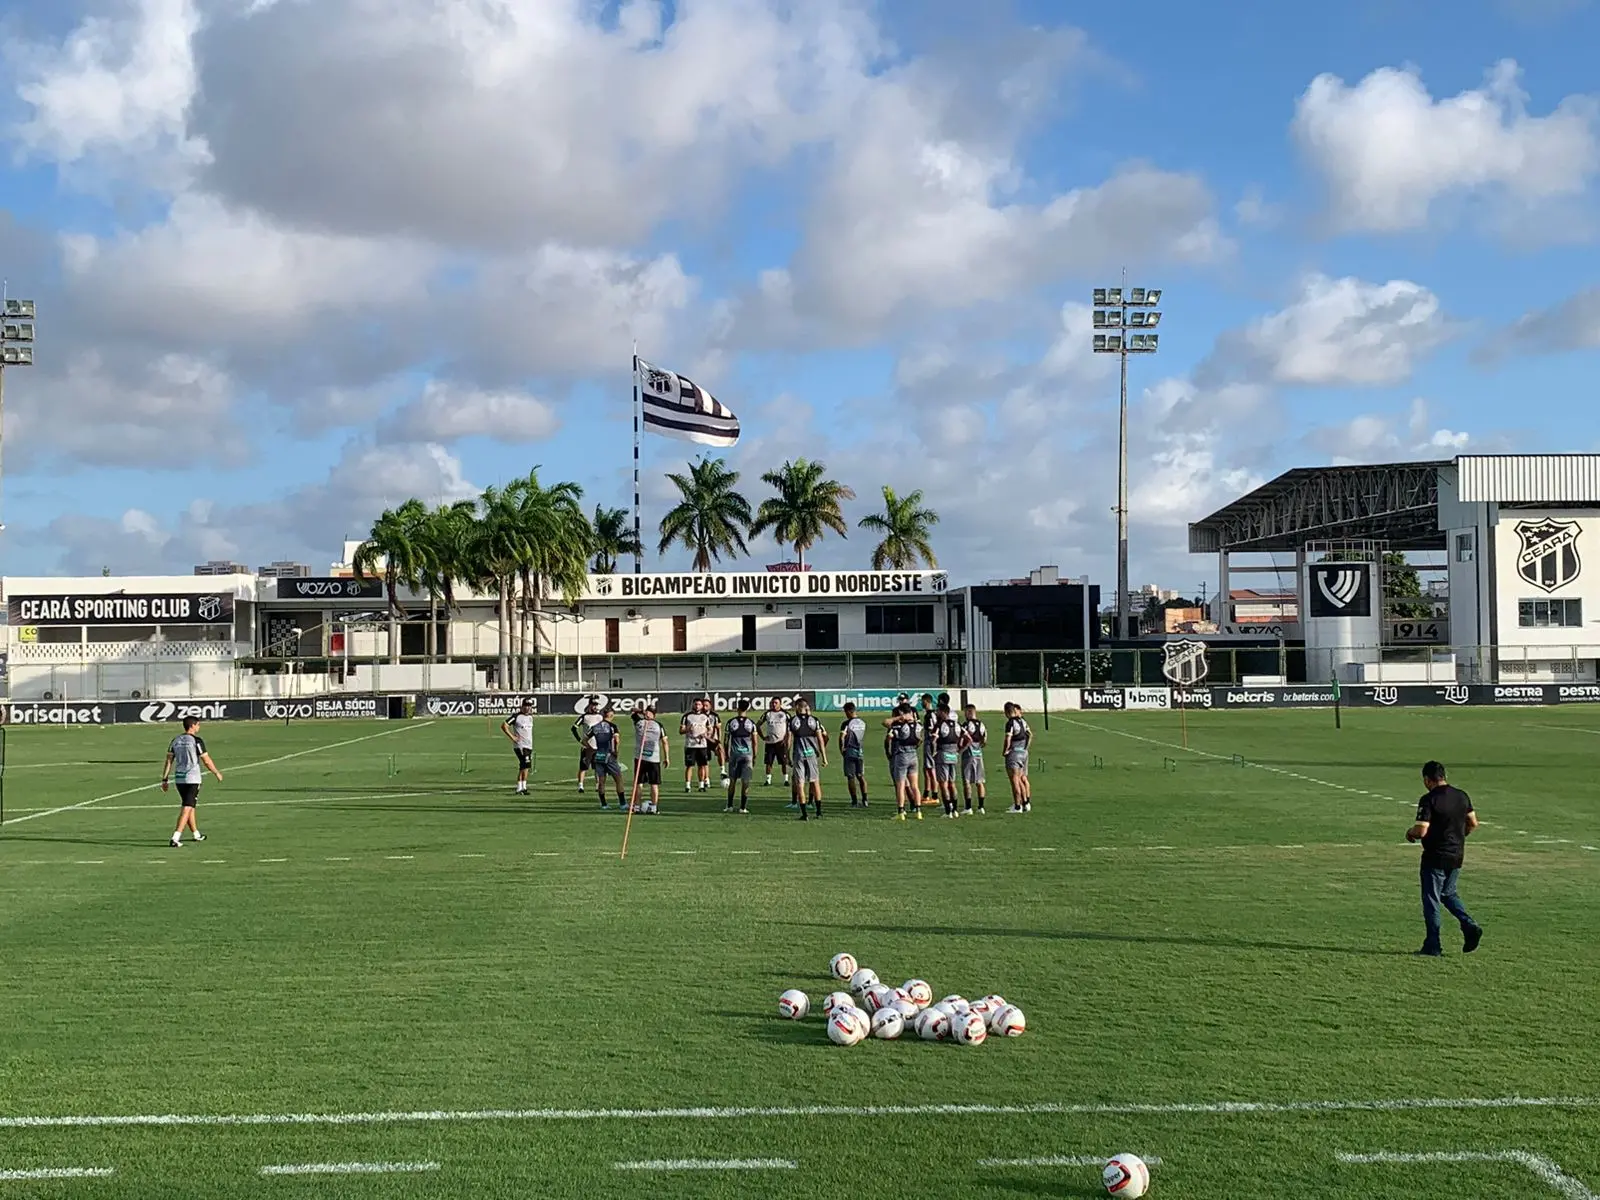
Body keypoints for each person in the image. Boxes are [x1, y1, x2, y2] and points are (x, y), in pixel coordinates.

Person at [1407, 761, 1484, 956]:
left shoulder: (1429, 799)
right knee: (1448, 893)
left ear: (1427, 780)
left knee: (1431, 899)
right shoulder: (1461, 796)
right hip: (1456, 854)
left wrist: (1410, 833)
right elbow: (1473, 823)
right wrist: (1459, 837)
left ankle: (1433, 946)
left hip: (1435, 856)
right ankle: (1469, 924)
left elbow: (1421, 830)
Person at [163, 715, 222, 846]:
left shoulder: (176, 740)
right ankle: (175, 838)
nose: (199, 727)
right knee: (187, 807)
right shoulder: (196, 741)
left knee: (189, 807)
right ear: (193, 726)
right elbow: (206, 760)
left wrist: (165, 778)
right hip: (193, 779)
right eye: (198, 725)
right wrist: (216, 772)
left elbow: (169, 761)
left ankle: (196, 834)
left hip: (179, 779)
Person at [786, 696, 828, 820]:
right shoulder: (815, 720)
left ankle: (804, 814)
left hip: (799, 755)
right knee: (815, 782)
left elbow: (789, 739)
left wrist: (787, 755)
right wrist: (824, 756)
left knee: (800, 784)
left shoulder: (792, 721)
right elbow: (820, 739)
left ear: (799, 708)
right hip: (812, 755)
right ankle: (819, 812)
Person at [884, 702, 923, 820]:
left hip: (902, 755)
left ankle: (901, 811)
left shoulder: (899, 726)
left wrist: (898, 718)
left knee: (900, 785)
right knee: (915, 785)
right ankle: (918, 811)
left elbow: (885, 723)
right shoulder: (917, 725)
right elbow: (920, 739)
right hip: (913, 755)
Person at [630, 705, 669, 815]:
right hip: (650, 758)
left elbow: (633, 711)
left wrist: (642, 712)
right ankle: (652, 807)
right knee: (647, 783)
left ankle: (638, 806)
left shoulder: (639, 722)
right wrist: (666, 757)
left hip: (643, 757)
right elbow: (665, 741)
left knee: (645, 783)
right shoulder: (658, 725)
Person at [723, 700, 758, 813]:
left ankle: (729, 806)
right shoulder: (751, 724)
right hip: (747, 756)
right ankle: (743, 807)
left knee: (732, 781)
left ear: (737, 708)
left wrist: (726, 754)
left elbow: (726, 741)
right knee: (745, 781)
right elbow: (755, 742)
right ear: (747, 709)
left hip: (734, 755)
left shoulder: (731, 723)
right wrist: (755, 756)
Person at [931, 700, 963, 817]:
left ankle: (947, 811)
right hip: (953, 754)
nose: (936, 713)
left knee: (943, 783)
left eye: (937, 711)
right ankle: (954, 809)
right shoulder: (956, 724)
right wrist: (959, 749)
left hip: (942, 753)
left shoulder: (939, 725)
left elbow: (933, 740)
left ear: (942, 712)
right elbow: (966, 737)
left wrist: (933, 752)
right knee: (952, 783)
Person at [588, 705, 624, 809]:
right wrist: (616, 751)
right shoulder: (612, 726)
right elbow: (616, 740)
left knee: (601, 780)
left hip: (599, 755)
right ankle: (622, 803)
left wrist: (591, 748)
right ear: (611, 715)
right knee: (618, 779)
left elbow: (586, 739)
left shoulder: (595, 727)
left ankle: (604, 804)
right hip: (609, 755)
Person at [1002, 702, 1032, 812]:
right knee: (1020, 778)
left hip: (1014, 753)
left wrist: (1005, 750)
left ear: (1006, 712)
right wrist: (1026, 748)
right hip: (1023, 752)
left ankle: (1017, 806)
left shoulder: (1010, 723)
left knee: (1015, 780)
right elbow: (1030, 734)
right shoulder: (1022, 721)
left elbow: (1008, 738)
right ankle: (1025, 803)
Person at [501, 700, 535, 795]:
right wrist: (512, 737)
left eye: (529, 706)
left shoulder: (530, 717)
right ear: (522, 706)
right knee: (525, 765)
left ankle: (522, 787)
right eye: (526, 706)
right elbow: (504, 725)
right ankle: (521, 787)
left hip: (528, 745)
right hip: (521, 745)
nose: (528, 708)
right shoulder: (516, 717)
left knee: (525, 766)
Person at [959, 702, 988, 815]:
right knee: (979, 781)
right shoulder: (982, 725)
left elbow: (962, 738)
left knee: (967, 781)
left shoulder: (966, 725)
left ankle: (968, 807)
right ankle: (981, 807)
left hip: (968, 754)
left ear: (968, 712)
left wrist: (960, 748)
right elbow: (985, 740)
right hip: (978, 753)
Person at [839, 702, 869, 807]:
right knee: (860, 776)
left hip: (850, 751)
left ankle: (854, 801)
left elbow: (842, 737)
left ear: (848, 711)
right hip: (860, 751)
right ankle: (865, 800)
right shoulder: (862, 723)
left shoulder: (846, 724)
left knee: (850, 777)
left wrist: (841, 749)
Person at [681, 697, 714, 792]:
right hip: (690, 745)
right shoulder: (687, 716)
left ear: (702, 706)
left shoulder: (705, 717)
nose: (697, 706)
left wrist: (706, 734)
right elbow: (681, 730)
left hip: (702, 745)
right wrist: (688, 729)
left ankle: (701, 785)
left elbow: (710, 729)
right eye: (695, 704)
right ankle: (688, 786)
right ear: (693, 705)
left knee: (702, 765)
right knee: (689, 766)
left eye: (699, 704)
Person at [572, 698, 604, 793]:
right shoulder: (584, 717)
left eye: (596, 705)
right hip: (587, 746)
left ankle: (598, 785)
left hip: (598, 745)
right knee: (583, 767)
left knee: (598, 767)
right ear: (589, 705)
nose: (595, 707)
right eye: (593, 705)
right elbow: (574, 728)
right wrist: (580, 740)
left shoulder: (600, 717)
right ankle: (580, 786)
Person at [760, 698, 790, 788]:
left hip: (781, 742)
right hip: (770, 743)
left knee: (784, 762)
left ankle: (786, 780)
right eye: (772, 703)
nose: (774, 704)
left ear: (780, 704)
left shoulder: (785, 714)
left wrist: (786, 738)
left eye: (776, 703)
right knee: (769, 762)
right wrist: (763, 737)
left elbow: (790, 728)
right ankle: (768, 780)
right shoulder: (767, 714)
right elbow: (757, 725)